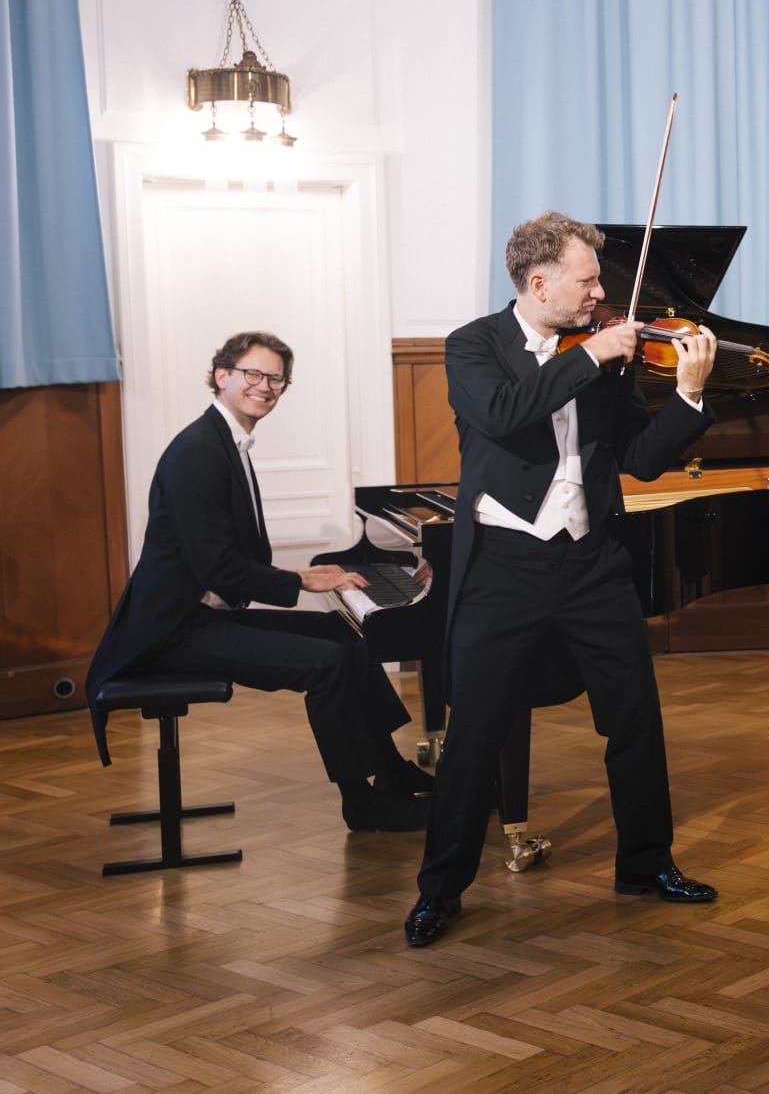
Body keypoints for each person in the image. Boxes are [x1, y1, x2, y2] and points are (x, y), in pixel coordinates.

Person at [403, 212, 722, 948]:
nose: (600, 293)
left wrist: (690, 397)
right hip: (503, 567)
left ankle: (647, 863)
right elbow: (504, 413)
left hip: (591, 560)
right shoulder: (473, 346)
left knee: (634, 718)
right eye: (587, 280)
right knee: (474, 733)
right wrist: (592, 355)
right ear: (538, 282)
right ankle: (440, 890)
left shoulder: (605, 351)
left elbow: (640, 458)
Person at [87, 332, 433, 832]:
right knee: (328, 665)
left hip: (200, 617)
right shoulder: (199, 452)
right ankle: (362, 804)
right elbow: (215, 567)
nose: (265, 386)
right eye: (253, 373)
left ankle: (393, 774)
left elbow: (226, 562)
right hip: (170, 632)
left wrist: (300, 578)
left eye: (276, 378)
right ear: (222, 375)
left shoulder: (224, 442)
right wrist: (298, 583)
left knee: (344, 637)